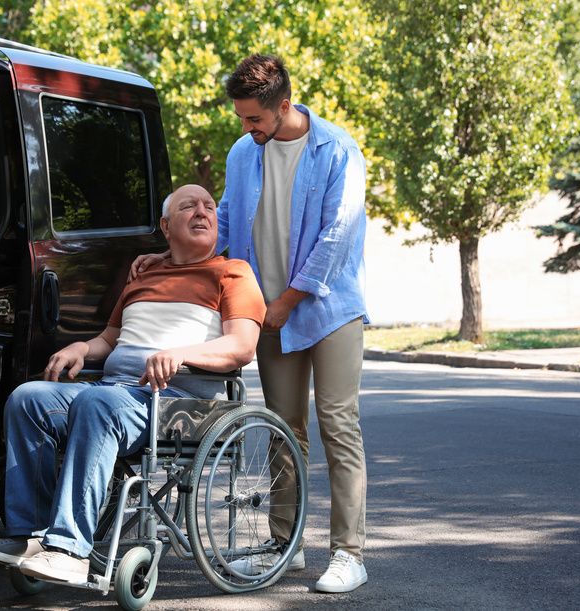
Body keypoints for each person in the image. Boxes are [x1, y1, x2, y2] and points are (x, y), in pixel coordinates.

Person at [131, 54, 369, 593]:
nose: (245, 128)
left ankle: (349, 553)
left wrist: (285, 300)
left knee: (337, 423)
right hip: (270, 311)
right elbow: (230, 222)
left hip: (328, 307)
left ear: (283, 105)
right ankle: (288, 547)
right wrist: (165, 258)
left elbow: (338, 237)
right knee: (285, 431)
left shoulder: (337, 150)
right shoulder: (244, 152)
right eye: (241, 118)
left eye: (253, 119)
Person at [0, 184, 266, 584]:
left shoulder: (233, 273)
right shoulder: (143, 272)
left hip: (176, 401)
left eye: (209, 207)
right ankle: (31, 537)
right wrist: (80, 347)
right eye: (189, 206)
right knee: (28, 398)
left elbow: (241, 347)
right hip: (116, 391)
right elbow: (109, 340)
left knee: (98, 405)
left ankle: (71, 549)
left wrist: (182, 353)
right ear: (165, 225)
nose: (203, 212)